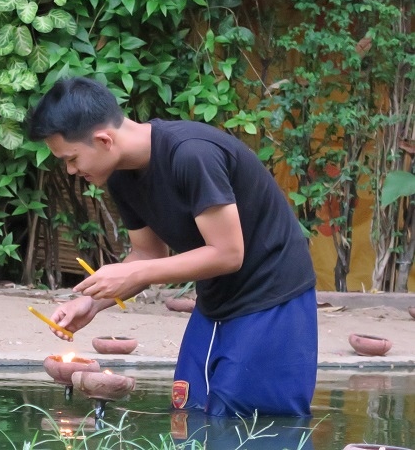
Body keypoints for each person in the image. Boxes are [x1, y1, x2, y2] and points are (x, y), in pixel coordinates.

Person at [27, 76, 317, 418]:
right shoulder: (120, 174)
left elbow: (228, 253)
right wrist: (91, 303)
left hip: (274, 299)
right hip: (217, 301)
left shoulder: (192, 154)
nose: (71, 169)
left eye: (71, 158)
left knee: (249, 425)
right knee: (189, 412)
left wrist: (133, 271)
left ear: (104, 139)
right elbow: (149, 254)